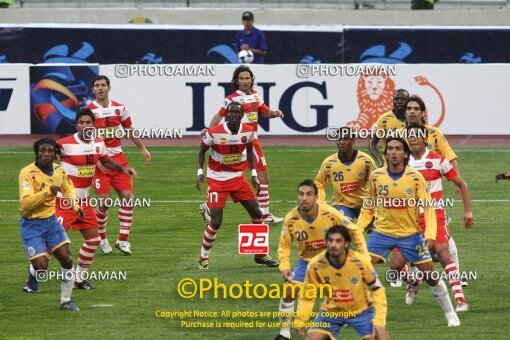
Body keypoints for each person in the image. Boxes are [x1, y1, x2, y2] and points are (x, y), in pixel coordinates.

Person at [357, 137, 461, 327]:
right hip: (381, 233)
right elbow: (368, 207)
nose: (393, 152)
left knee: (430, 276)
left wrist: (429, 235)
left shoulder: (415, 178)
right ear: (385, 153)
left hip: (410, 235)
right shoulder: (376, 176)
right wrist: (358, 229)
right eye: (389, 149)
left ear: (405, 154)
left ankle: (450, 313)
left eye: (397, 149)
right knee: (359, 269)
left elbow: (428, 208)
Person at [392, 124, 473, 311]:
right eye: (409, 135)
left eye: (416, 135)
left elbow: (461, 183)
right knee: (396, 264)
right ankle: (413, 282)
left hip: (434, 215)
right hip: (408, 218)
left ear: (425, 139)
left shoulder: (439, 161)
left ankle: (461, 300)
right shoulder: (402, 163)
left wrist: (468, 211)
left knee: (443, 252)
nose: (412, 138)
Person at [275, 180, 369, 340]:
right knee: (288, 291)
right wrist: (284, 266)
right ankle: (284, 333)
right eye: (301, 194)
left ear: (316, 197)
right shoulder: (291, 219)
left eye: (309, 194)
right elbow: (284, 246)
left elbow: (354, 231)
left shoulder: (330, 214)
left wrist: (365, 258)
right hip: (307, 263)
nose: (304, 198)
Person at [56, 109, 137, 289]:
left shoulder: (98, 143)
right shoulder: (64, 145)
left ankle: (78, 279)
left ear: (94, 125)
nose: (85, 126)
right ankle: (31, 278)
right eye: (81, 123)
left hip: (84, 202)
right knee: (53, 242)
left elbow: (106, 161)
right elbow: (45, 160)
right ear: (76, 125)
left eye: (88, 122)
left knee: (93, 240)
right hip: (64, 202)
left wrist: (124, 169)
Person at [196, 101, 278, 269]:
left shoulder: (248, 131)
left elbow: (249, 151)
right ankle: (203, 257)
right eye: (230, 112)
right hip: (217, 180)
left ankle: (260, 254)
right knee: (216, 222)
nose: (233, 114)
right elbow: (201, 151)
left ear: (242, 115)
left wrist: (254, 175)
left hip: (238, 179)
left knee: (257, 214)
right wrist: (199, 172)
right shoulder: (214, 132)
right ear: (226, 114)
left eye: (237, 112)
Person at [199, 65, 284, 224]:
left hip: (249, 139)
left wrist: (275, 113)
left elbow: (265, 112)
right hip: (241, 140)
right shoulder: (231, 98)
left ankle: (210, 206)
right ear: (236, 81)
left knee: (236, 174)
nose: (245, 81)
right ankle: (264, 215)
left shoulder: (256, 96)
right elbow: (219, 116)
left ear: (252, 79)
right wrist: (209, 130)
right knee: (258, 174)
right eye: (241, 78)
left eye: (247, 78)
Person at [403, 96, 467, 287]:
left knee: (443, 237)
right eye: (409, 108)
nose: (412, 112)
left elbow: (449, 156)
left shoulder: (434, 133)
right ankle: (412, 276)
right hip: (407, 197)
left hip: (431, 196)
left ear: (423, 113)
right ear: (405, 112)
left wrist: (458, 180)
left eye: (416, 108)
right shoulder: (399, 134)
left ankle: (455, 276)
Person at [87, 75, 150, 255]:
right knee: (104, 202)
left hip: (118, 160)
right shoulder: (89, 112)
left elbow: (130, 130)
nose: (100, 88)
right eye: (97, 86)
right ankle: (102, 238)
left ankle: (123, 240)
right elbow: (86, 140)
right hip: (100, 163)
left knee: (128, 198)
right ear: (93, 90)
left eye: (103, 85)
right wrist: (97, 161)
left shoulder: (120, 108)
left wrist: (143, 148)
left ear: (109, 88)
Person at [19, 138, 83, 310]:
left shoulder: (59, 171)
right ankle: (32, 279)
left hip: (52, 223)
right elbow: (25, 204)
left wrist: (76, 207)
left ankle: (66, 301)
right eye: (42, 151)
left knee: (67, 259)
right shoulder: (27, 173)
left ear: (55, 154)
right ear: (36, 153)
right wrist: (47, 192)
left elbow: (68, 189)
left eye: (50, 151)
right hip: (32, 224)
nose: (46, 154)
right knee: (41, 267)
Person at [294, 225, 388, 340]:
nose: (333, 244)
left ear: (346, 244)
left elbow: (377, 289)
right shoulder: (316, 265)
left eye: (338, 241)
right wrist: (301, 319)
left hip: (361, 310)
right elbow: (308, 295)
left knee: (378, 336)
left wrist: (379, 321)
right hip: (331, 312)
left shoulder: (360, 262)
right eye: (330, 241)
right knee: (312, 338)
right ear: (326, 243)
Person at [315, 128, 376, 231]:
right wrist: (321, 202)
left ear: (353, 140)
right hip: (342, 204)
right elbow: (318, 183)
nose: (342, 142)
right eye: (339, 139)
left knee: (379, 229)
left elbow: (377, 181)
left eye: (346, 139)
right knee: (343, 229)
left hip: (365, 204)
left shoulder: (366, 161)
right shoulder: (329, 163)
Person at [369, 89, 409, 167]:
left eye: (403, 99)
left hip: (411, 165)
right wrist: (380, 160)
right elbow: (373, 143)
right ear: (393, 101)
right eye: (396, 99)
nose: (399, 101)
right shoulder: (384, 119)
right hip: (389, 165)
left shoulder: (415, 118)